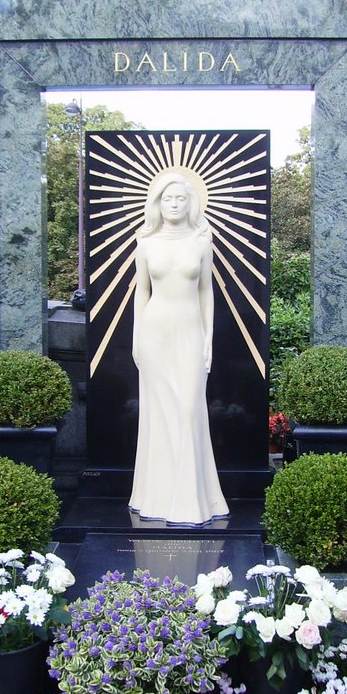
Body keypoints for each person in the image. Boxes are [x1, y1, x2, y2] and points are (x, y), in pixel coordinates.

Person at [129, 172, 229, 526]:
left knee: (188, 409)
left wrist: (208, 337)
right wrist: (136, 336)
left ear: (191, 203)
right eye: (167, 199)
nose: (174, 204)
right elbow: (142, 291)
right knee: (160, 414)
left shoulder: (202, 241)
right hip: (154, 333)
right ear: (157, 203)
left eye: (180, 199)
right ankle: (154, 497)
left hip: (189, 332)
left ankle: (194, 500)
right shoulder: (145, 242)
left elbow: (206, 292)